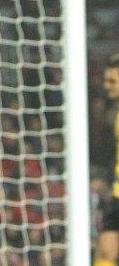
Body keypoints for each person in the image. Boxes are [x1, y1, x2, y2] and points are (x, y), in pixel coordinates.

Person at [95, 54, 119, 266]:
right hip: (116, 193)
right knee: (105, 251)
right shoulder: (113, 111)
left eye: (112, 81)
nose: (106, 85)